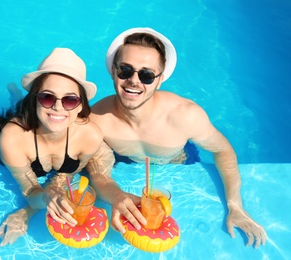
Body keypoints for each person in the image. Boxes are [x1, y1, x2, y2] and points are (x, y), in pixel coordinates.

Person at [86, 27, 267, 248]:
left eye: (146, 75)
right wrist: (116, 195)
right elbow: (98, 173)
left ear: (159, 80)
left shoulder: (185, 116)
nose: (134, 81)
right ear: (113, 71)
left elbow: (223, 150)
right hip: (124, 157)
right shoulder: (96, 119)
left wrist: (235, 205)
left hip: (178, 159)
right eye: (125, 70)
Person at [0, 48, 103, 246]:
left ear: (81, 105)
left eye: (70, 99)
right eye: (47, 97)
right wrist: (45, 196)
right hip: (25, 120)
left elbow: (69, 173)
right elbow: (30, 191)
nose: (58, 107)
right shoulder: (13, 138)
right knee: (16, 108)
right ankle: (15, 95)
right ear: (35, 98)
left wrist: (50, 194)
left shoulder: (90, 136)